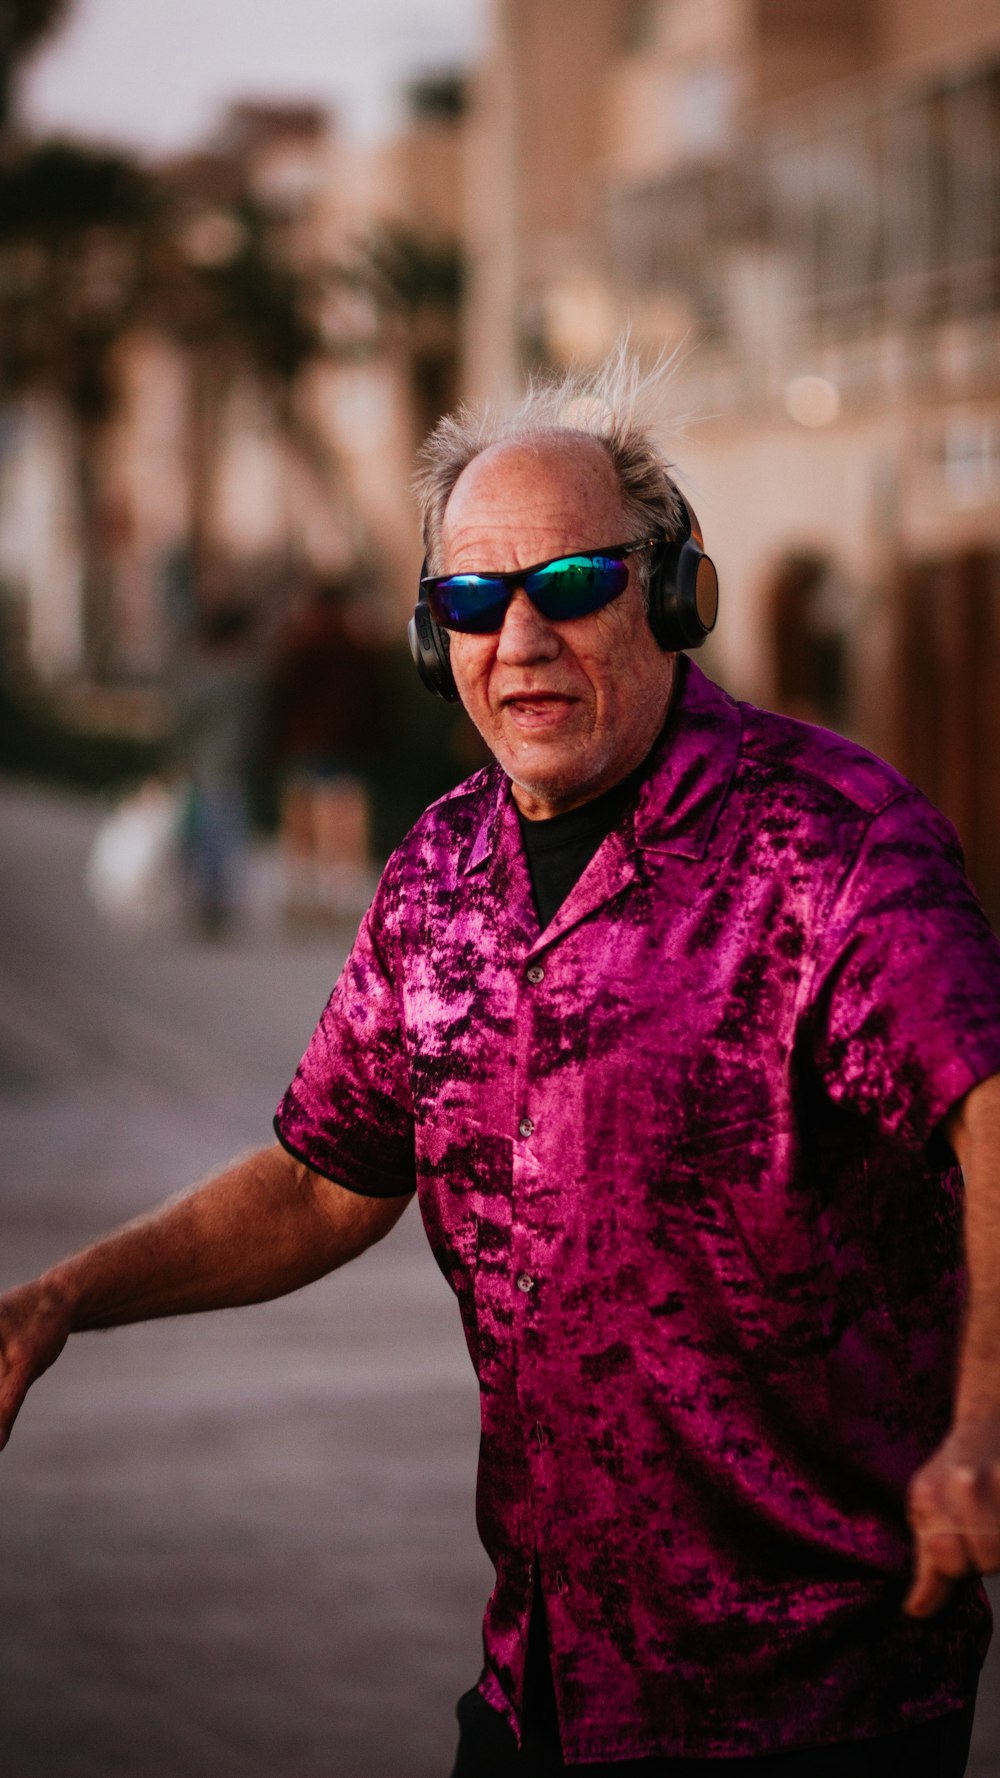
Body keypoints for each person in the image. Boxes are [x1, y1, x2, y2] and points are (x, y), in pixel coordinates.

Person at [2, 355, 1000, 1776]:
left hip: (812, 1689)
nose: (518, 634)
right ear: (437, 640)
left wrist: (985, 1421)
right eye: (473, 600)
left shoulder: (832, 848)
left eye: (571, 583)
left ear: (673, 596)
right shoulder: (439, 875)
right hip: (541, 1679)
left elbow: (990, 1102)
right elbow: (322, 1178)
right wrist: (61, 1299)